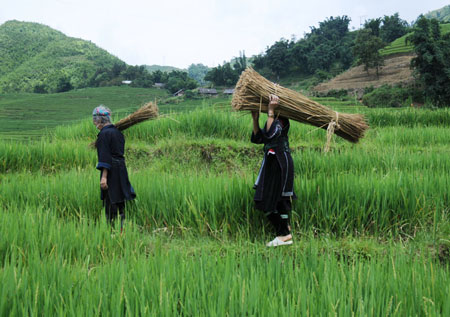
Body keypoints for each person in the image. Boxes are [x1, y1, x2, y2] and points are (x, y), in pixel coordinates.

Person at [251, 94, 295, 247]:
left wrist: (270, 111)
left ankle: (284, 235)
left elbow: (271, 134)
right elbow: (258, 139)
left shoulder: (281, 121)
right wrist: (255, 118)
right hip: (272, 163)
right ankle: (284, 230)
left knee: (275, 199)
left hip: (280, 163)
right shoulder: (273, 120)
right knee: (266, 198)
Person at [93, 105, 135, 230]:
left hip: (111, 171)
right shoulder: (118, 133)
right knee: (120, 201)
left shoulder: (103, 135)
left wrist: (104, 177)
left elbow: (105, 157)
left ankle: (112, 232)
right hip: (121, 170)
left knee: (111, 202)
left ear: (100, 120)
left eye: (95, 120)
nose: (94, 123)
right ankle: (121, 230)